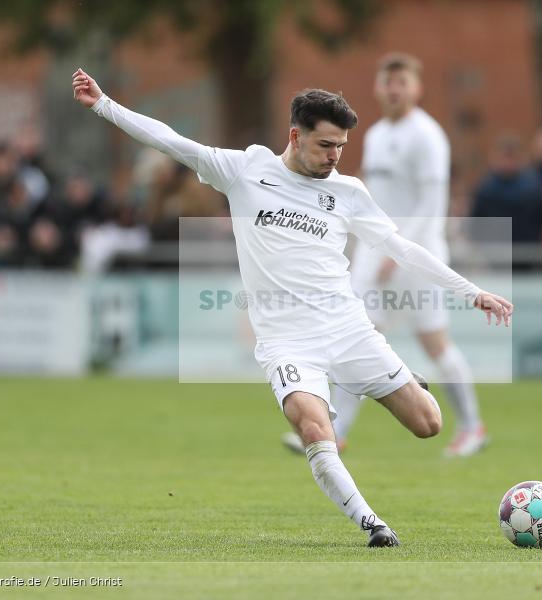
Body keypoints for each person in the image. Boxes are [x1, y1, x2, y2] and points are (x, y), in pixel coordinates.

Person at [73, 68, 512, 547]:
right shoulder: (246, 171)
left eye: (342, 146)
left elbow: (403, 248)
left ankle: (392, 380)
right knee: (312, 426)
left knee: (429, 424)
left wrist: (472, 292)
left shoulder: (348, 193)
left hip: (348, 329)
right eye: (326, 145)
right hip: (287, 342)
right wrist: (103, 104)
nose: (335, 156)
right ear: (295, 136)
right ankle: (372, 525)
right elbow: (172, 142)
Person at [286, 53, 487, 458]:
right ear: (377, 88)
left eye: (403, 82)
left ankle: (471, 427)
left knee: (435, 345)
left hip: (414, 256)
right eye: (388, 82)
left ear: (417, 88)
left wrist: (397, 252)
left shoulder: (427, 136)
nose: (394, 90)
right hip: (375, 255)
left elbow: (433, 203)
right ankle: (336, 431)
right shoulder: (375, 134)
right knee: (353, 336)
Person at [469, 133, 542, 244]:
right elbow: (477, 222)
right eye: (505, 157)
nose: (508, 163)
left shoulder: (533, 189)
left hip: (526, 252)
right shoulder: (486, 189)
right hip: (495, 251)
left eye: (511, 157)